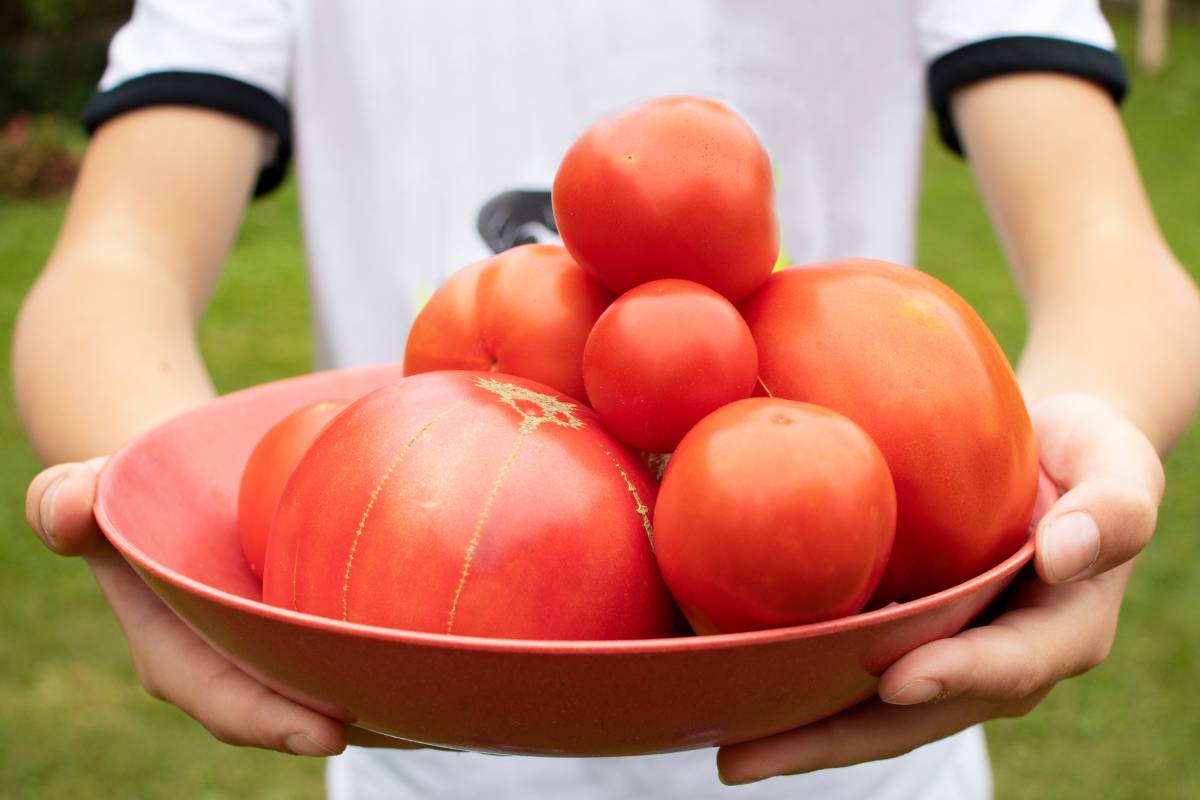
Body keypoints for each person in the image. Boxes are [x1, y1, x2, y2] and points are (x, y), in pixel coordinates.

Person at [15, 1, 1200, 798]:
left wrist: (1079, 457)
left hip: (867, 718)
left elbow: (1111, 245)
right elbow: (113, 261)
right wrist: (160, 504)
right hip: (416, 724)